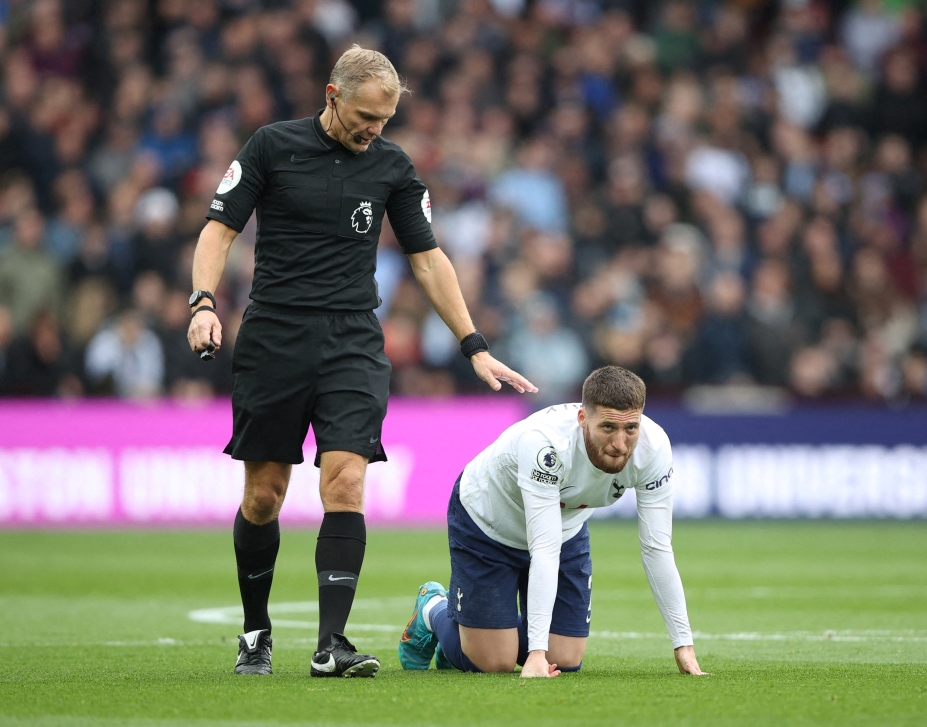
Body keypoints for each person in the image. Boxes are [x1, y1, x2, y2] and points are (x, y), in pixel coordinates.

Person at [186, 46, 536, 679]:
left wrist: (474, 344)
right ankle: (256, 633)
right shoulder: (270, 146)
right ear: (332, 95)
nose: (375, 130)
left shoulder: (394, 168)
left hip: (351, 340)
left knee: (346, 480)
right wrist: (204, 302)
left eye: (386, 119)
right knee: (264, 494)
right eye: (367, 116)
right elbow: (219, 230)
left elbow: (428, 259)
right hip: (274, 338)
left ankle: (331, 644)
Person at [398, 366, 705, 677]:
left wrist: (683, 644)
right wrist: (535, 654)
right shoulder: (547, 445)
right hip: (488, 523)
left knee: (566, 659)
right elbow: (543, 548)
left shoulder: (654, 449)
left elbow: (657, 547)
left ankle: (476, 631)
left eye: (631, 429)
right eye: (608, 427)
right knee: (494, 664)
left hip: (565, 530)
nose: (620, 444)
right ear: (583, 419)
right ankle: (433, 608)